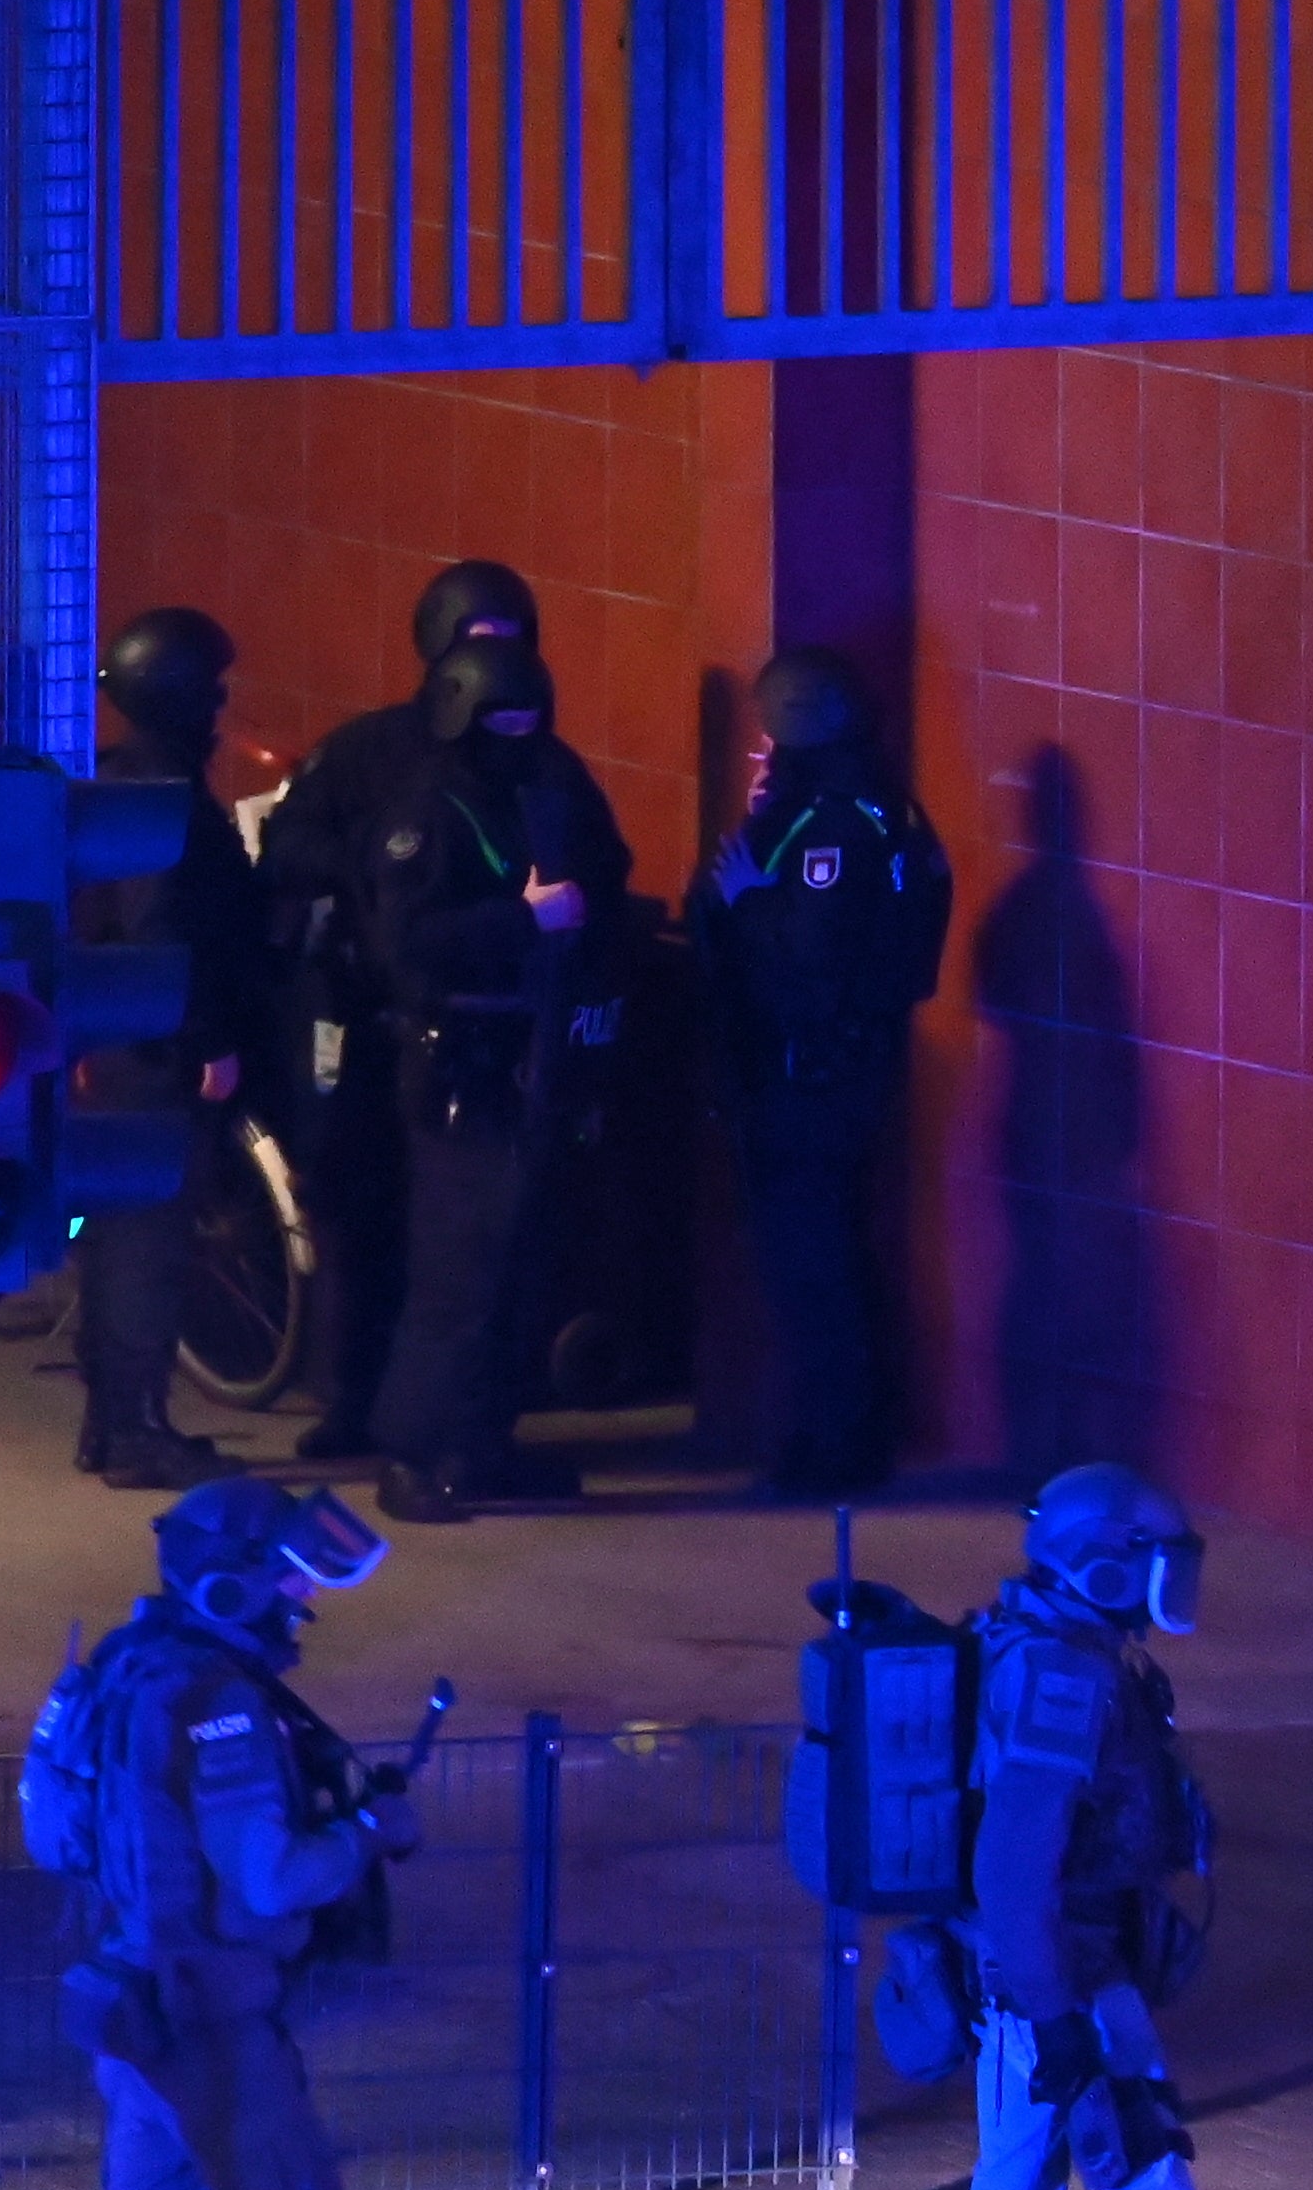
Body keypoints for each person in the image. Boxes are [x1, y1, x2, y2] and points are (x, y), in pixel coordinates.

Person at [16, 1478, 530, 2190]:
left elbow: (59, 1835)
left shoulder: (122, 1668)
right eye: (288, 1574)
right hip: (210, 2025)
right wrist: (367, 1829)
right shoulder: (222, 1702)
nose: (302, 1596)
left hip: (129, 2009)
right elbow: (272, 1873)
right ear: (231, 1577)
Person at [952, 1463, 1247, 2190]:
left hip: (1038, 1972)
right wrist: (1065, 2022)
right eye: (1160, 1559)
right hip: (1062, 1977)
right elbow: (1018, 1865)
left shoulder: (1056, 1649)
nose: (1176, 1581)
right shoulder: (1067, 1679)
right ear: (1108, 1559)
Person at [257, 559, 543, 1464]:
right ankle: (353, 1400)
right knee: (355, 1207)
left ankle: (439, 1416)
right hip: (361, 1009)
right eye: (477, 643)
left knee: (457, 1232)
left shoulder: (534, 758)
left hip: (464, 1022)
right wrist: (375, 876)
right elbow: (291, 851)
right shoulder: (371, 751)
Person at [346, 626, 633, 1521]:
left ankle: (482, 1445)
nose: (518, 735)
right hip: (464, 1064)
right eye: (499, 720)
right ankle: (411, 1452)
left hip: (541, 1058)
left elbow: (606, 875)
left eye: (528, 719)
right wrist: (521, 922)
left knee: (522, 1267)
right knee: (455, 1273)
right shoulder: (426, 811)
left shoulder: (551, 785)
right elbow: (407, 943)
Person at [696, 646, 950, 1503]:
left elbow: (813, 954)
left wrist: (747, 898)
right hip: (855, 1067)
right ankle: (839, 1432)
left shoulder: (831, 827)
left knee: (809, 1265)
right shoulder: (893, 812)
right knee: (833, 1254)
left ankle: (832, 1444)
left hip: (810, 1076)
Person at [71, 608, 264, 1491]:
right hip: (153, 1054)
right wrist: (207, 1043)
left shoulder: (116, 780)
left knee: (118, 1236)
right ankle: (138, 1428)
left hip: (117, 1047)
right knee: (149, 1241)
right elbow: (162, 929)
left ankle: (110, 1423)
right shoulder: (161, 796)